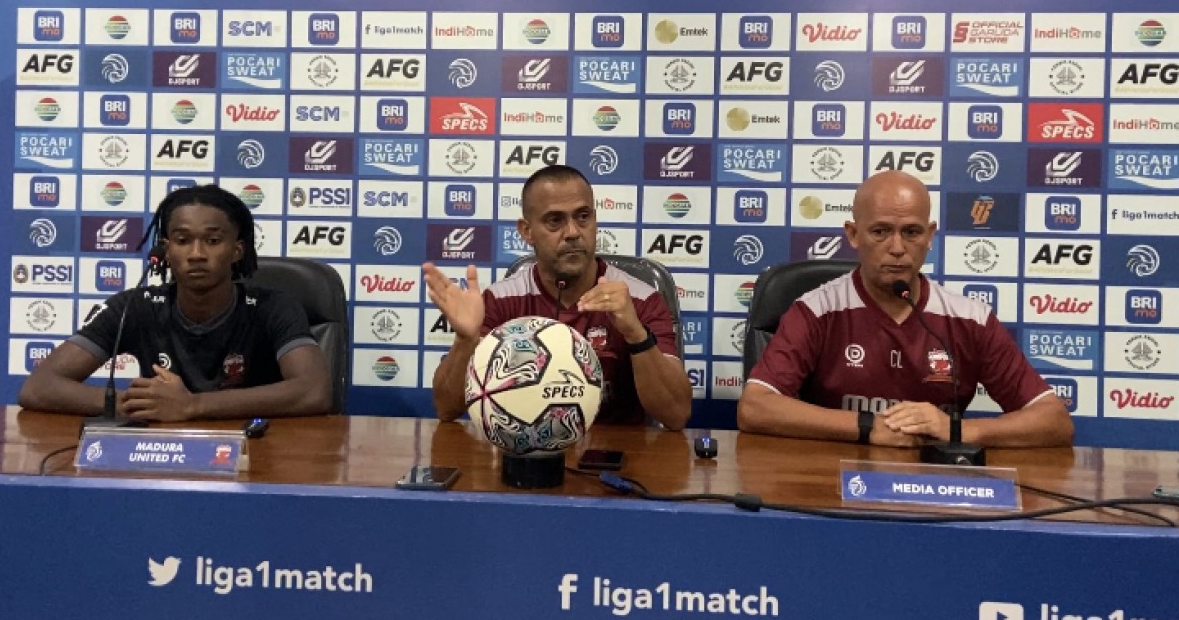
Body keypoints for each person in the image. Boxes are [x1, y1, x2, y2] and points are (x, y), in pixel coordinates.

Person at [738, 170, 1073, 447]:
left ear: (929, 236)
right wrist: (868, 427)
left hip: (936, 488)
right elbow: (755, 407)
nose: (897, 248)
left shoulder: (969, 319)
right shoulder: (816, 310)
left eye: (911, 232)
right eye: (881, 231)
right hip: (832, 484)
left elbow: (1053, 421)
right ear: (854, 235)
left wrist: (954, 430)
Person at [18, 184, 332, 421]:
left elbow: (314, 391)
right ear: (166, 251)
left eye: (212, 241)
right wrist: (142, 404)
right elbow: (39, 387)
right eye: (182, 241)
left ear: (237, 251)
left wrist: (193, 406)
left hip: (257, 456)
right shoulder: (136, 307)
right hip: (163, 454)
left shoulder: (272, 307)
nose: (196, 253)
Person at [423, 165, 691, 430]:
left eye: (583, 216)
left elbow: (676, 415)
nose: (573, 232)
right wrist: (465, 342)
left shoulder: (641, 300)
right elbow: (447, 409)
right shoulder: (502, 300)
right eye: (555, 220)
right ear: (526, 231)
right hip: (524, 454)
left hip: (616, 459)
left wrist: (636, 335)